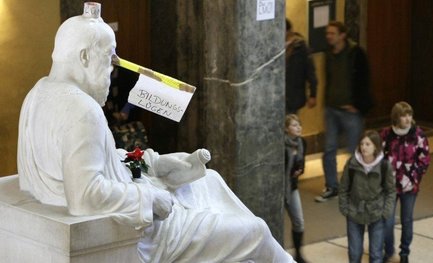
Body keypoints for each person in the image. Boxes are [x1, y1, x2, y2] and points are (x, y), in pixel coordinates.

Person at [17, 3, 294, 263]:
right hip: (141, 234)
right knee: (255, 231)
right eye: (109, 58)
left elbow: (96, 161)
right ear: (84, 56)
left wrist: (153, 163)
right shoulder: (81, 110)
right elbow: (85, 195)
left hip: (126, 196)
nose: (113, 67)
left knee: (210, 180)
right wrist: (149, 197)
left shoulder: (38, 94)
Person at [315, 21, 374, 202]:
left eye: (332, 33)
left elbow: (365, 79)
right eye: (327, 33)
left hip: (351, 111)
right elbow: (329, 79)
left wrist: (358, 104)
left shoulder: (356, 53)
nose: (328, 36)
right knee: (329, 148)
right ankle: (332, 186)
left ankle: (355, 188)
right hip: (332, 108)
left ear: (342, 35)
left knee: (355, 151)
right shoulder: (328, 54)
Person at [380, 101, 430, 263]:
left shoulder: (418, 135)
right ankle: (388, 251)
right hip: (389, 186)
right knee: (386, 220)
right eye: (403, 115)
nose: (408, 119)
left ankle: (404, 253)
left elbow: (425, 159)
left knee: (406, 220)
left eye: (409, 115)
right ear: (396, 117)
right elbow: (378, 157)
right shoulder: (386, 135)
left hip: (410, 186)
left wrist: (415, 176)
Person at [338, 130, 396, 263]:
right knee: (354, 253)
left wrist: (386, 212)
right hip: (354, 212)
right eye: (362, 144)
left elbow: (391, 191)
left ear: (376, 146)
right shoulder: (352, 164)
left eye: (368, 144)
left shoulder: (384, 165)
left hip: (376, 213)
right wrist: (345, 208)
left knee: (376, 254)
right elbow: (343, 187)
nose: (364, 147)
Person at [284, 114, 309, 263]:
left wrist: (300, 170)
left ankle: (298, 254)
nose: (298, 127)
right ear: (286, 129)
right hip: (279, 189)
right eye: (294, 125)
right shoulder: (280, 144)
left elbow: (302, 164)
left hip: (292, 187)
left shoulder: (301, 143)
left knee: (298, 221)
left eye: (299, 124)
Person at [285, 19, 318, 113]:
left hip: (292, 97)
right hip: (278, 97)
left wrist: (313, 94)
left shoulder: (300, 47)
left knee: (291, 124)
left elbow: (310, 71)